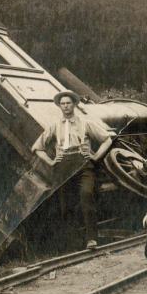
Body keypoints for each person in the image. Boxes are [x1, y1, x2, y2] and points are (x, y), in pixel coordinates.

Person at [32, 90, 113, 250]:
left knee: (86, 195)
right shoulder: (54, 126)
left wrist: (95, 156)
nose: (66, 106)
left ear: (75, 104)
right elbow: (37, 147)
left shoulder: (85, 123)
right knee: (65, 205)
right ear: (59, 106)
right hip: (63, 169)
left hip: (84, 166)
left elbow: (107, 139)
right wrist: (51, 161)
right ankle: (72, 243)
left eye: (68, 103)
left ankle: (91, 239)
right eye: (62, 104)